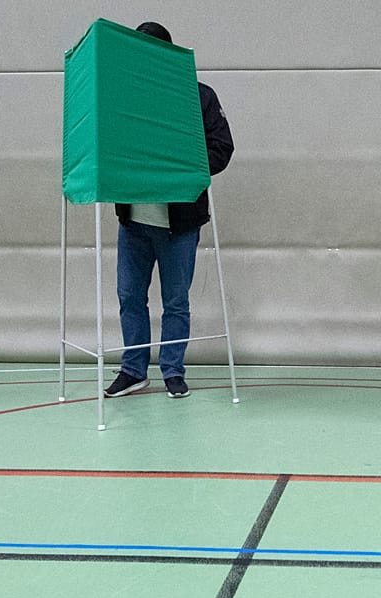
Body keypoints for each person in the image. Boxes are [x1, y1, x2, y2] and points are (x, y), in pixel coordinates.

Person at [103, 21, 234, 399]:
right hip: (133, 223)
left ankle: (173, 371)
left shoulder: (198, 98)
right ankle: (134, 370)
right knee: (129, 297)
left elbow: (221, 149)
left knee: (176, 302)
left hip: (180, 224)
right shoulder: (127, 101)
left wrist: (176, 168)